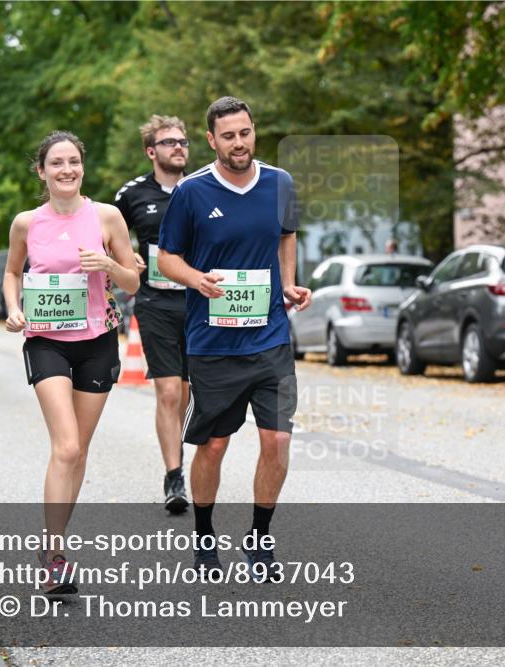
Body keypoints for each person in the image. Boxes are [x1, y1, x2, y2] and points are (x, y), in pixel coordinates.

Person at [158, 96, 312, 580]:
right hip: (214, 343)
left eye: (245, 132)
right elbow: (166, 258)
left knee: (277, 440)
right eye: (228, 136)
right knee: (214, 446)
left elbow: (286, 234)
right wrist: (196, 279)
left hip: (270, 338)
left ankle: (259, 540)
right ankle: (204, 539)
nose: (239, 143)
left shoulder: (280, 182)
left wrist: (287, 283)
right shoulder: (192, 192)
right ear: (211, 140)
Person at [4, 130, 139, 595]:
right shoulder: (26, 223)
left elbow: (132, 282)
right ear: (41, 171)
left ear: (83, 167)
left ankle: (53, 544)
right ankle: (55, 554)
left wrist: (108, 265)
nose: (67, 170)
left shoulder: (107, 216)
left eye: (74, 162)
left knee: (78, 450)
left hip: (97, 341)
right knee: (65, 447)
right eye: (57, 163)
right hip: (47, 342)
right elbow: (11, 272)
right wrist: (13, 308)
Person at [114, 115, 192, 514]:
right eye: (169, 142)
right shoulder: (132, 194)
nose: (178, 147)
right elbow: (104, 235)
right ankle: (174, 476)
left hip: (199, 303)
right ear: (151, 151)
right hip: (155, 303)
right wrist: (125, 258)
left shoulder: (203, 188)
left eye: (183, 142)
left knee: (187, 394)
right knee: (169, 391)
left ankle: (178, 450)